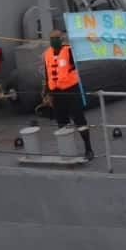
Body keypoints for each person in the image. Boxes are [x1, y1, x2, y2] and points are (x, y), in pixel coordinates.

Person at [42, 29, 95, 160]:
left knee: (79, 121)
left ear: (61, 39)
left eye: (56, 38)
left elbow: (80, 56)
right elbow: (47, 74)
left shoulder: (69, 51)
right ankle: (67, 150)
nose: (54, 41)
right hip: (57, 93)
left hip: (71, 91)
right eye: (52, 38)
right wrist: (48, 93)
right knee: (61, 122)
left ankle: (88, 149)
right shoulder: (47, 54)